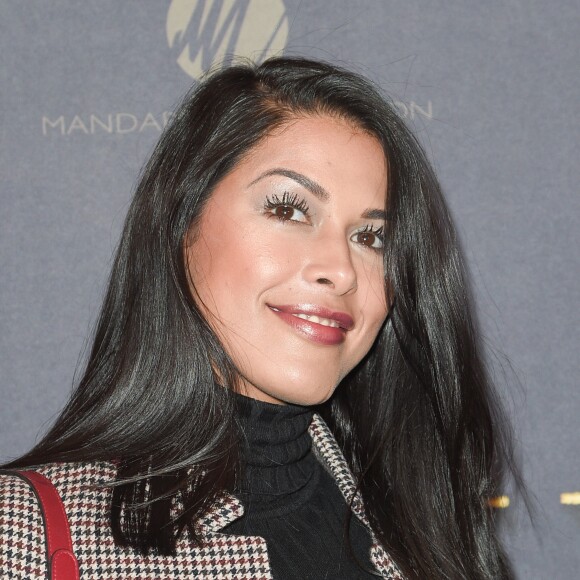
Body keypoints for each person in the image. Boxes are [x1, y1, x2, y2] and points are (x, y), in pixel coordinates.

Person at [0, 56, 513, 579]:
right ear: (181, 225)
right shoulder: (27, 536)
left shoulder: (425, 528)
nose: (341, 270)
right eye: (288, 210)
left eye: (371, 237)